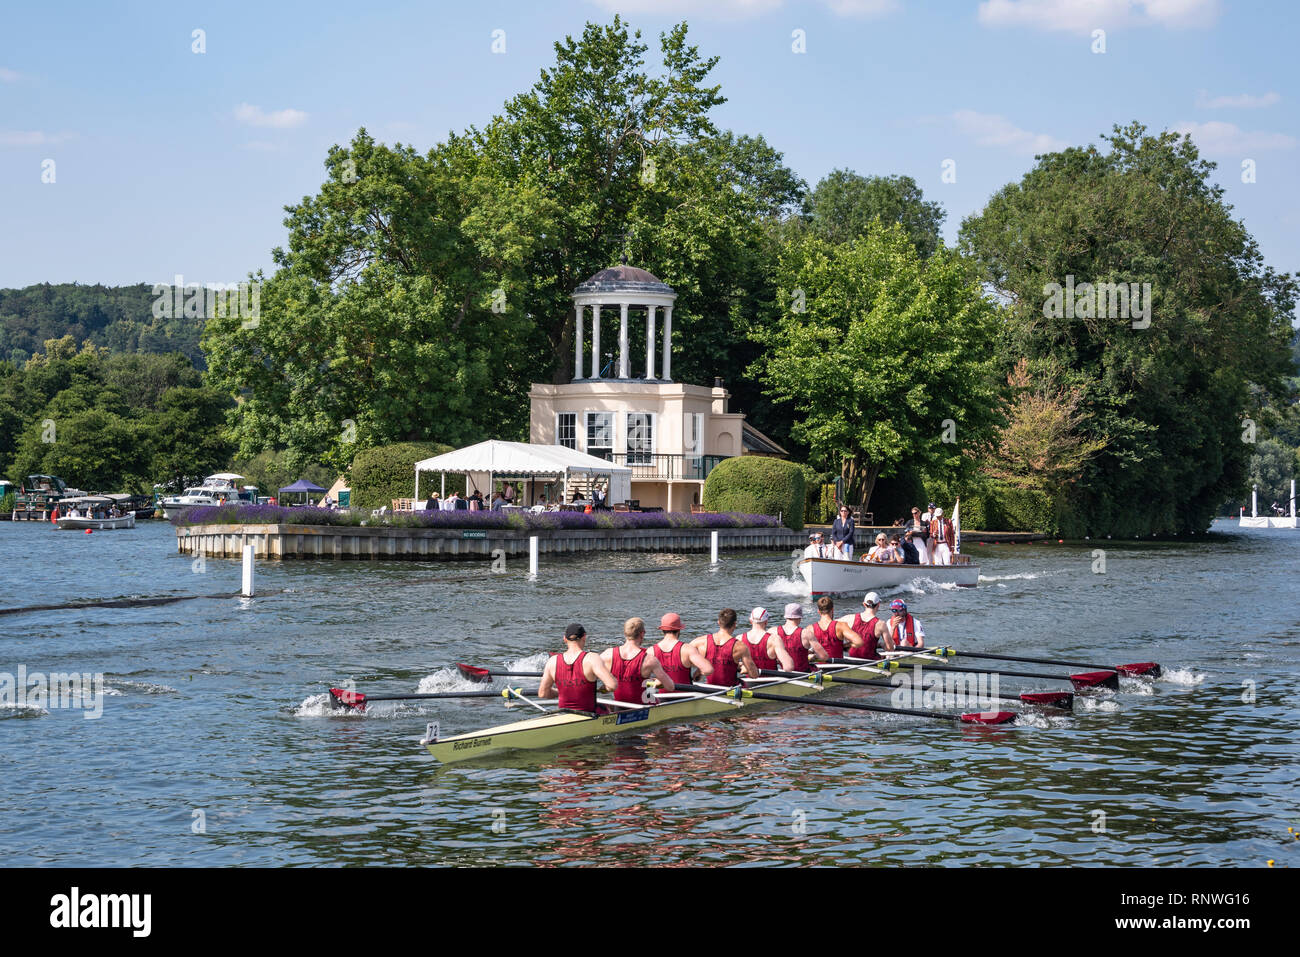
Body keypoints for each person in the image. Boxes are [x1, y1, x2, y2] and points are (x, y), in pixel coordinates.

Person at [537, 623, 618, 713]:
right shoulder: (592, 658)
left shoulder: (552, 661)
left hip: (563, 714)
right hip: (589, 714)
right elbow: (612, 685)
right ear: (584, 637)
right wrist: (603, 689)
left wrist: (562, 691)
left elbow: (543, 693)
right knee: (610, 706)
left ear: (565, 639)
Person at [601, 618, 677, 705]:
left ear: (625, 633)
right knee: (651, 690)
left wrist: (606, 686)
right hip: (643, 710)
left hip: (619, 707)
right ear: (642, 633)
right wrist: (653, 683)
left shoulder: (607, 654)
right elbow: (670, 687)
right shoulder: (649, 660)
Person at [691, 608, 759, 687]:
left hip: (710, 688)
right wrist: (744, 669)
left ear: (718, 622)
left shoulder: (700, 642)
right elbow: (754, 675)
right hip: (731, 689)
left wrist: (700, 669)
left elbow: (683, 657)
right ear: (735, 624)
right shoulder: (740, 646)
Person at [652, 613, 714, 687]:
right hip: (686, 696)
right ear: (679, 629)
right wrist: (698, 672)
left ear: (662, 630)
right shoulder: (688, 649)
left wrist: (657, 678)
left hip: (662, 697)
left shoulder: (651, 651)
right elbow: (708, 670)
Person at [772, 603, 829, 673]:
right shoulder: (806, 633)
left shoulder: (773, 631)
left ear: (785, 616)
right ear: (800, 617)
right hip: (803, 673)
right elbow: (824, 656)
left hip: (783, 673)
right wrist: (812, 657)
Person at [838, 592, 894, 660]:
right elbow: (890, 649)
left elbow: (830, 624)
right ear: (878, 605)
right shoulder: (881, 624)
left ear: (864, 604)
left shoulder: (849, 618)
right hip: (871, 661)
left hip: (852, 660)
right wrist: (883, 645)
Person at [740, 607, 795, 673]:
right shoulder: (774, 639)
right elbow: (789, 667)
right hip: (771, 681)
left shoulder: (739, 638)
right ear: (766, 622)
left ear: (750, 621)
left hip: (748, 681)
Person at [809, 596, 856, 660]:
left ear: (819, 612)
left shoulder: (811, 628)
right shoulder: (841, 626)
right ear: (832, 610)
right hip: (838, 666)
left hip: (819, 665)